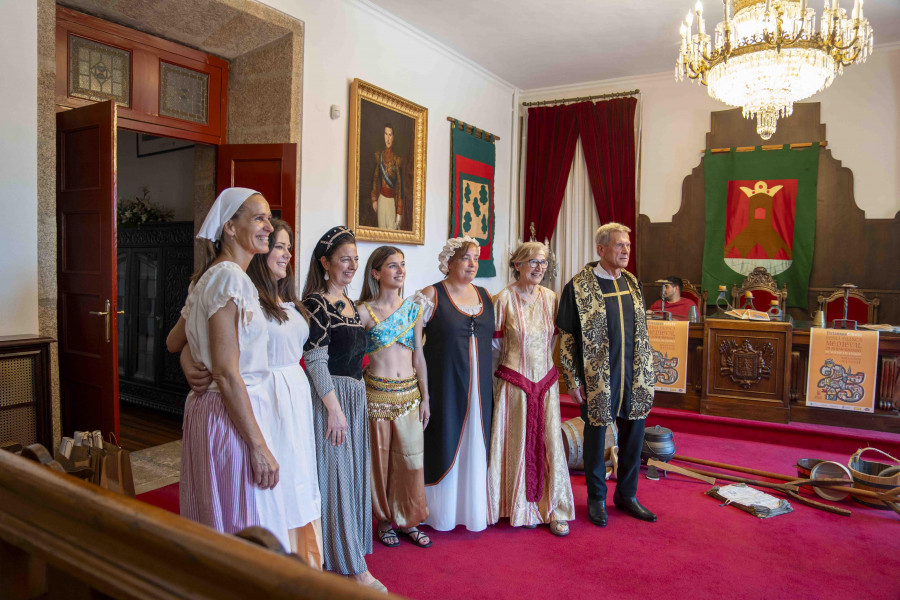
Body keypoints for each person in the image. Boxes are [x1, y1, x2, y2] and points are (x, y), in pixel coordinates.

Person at [172, 219, 324, 567]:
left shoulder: (286, 296)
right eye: (277, 245)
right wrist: (186, 358)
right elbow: (183, 338)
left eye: (288, 247)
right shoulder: (233, 286)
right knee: (266, 490)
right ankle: (270, 563)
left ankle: (301, 562)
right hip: (259, 398)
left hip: (293, 399)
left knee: (297, 481)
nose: (285, 253)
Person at [172, 187, 291, 547]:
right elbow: (225, 371)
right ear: (229, 227)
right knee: (241, 521)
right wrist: (257, 445)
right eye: (258, 218)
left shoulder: (210, 276)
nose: (269, 227)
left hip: (212, 408)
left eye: (269, 219)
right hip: (228, 412)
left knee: (215, 511)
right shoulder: (229, 278)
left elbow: (174, 342)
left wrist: (188, 360)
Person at [556, 222, 657, 527]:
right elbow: (567, 336)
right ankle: (597, 498)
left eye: (627, 245)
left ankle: (627, 495)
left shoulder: (632, 283)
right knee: (595, 438)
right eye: (618, 245)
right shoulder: (579, 286)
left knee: (634, 438)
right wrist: (571, 380)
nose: (625, 250)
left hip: (634, 377)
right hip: (597, 378)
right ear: (601, 249)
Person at [302, 226, 383, 592]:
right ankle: (353, 567)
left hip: (354, 398)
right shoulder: (316, 304)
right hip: (330, 401)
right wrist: (334, 410)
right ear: (325, 263)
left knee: (349, 479)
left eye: (355, 259)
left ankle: (343, 553)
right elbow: (316, 361)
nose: (351, 266)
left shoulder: (352, 304)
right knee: (334, 478)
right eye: (343, 259)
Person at [488, 242, 574, 536]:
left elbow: (552, 341)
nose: (539, 268)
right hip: (514, 385)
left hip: (545, 385)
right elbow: (494, 348)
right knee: (515, 444)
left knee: (549, 443)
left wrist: (544, 374)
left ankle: (553, 508)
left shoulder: (551, 298)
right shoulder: (502, 299)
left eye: (544, 263)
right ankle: (511, 506)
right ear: (518, 265)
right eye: (533, 262)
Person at [357, 246, 432, 549]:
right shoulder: (363, 311)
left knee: (411, 463)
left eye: (402, 265)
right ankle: (385, 520)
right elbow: (352, 358)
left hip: (409, 396)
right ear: (376, 272)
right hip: (375, 396)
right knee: (381, 463)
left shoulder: (413, 310)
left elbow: (419, 357)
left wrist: (426, 397)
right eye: (392, 266)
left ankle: (409, 519)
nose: (400, 271)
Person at [418, 237, 494, 532]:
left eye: (475, 258)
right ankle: (440, 513)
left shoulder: (486, 296)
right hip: (445, 388)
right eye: (466, 258)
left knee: (476, 441)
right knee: (445, 441)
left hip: (480, 390)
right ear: (448, 262)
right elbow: (411, 347)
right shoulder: (430, 295)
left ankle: (470, 509)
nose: (472, 263)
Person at [370, 123, 404, 230]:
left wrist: (399, 213)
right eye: (386, 134)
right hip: (381, 200)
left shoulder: (397, 160)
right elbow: (374, 179)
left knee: (391, 233)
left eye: (390, 135)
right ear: (383, 135)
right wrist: (374, 199)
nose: (388, 138)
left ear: (393, 137)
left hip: (391, 202)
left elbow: (400, 186)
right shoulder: (378, 156)